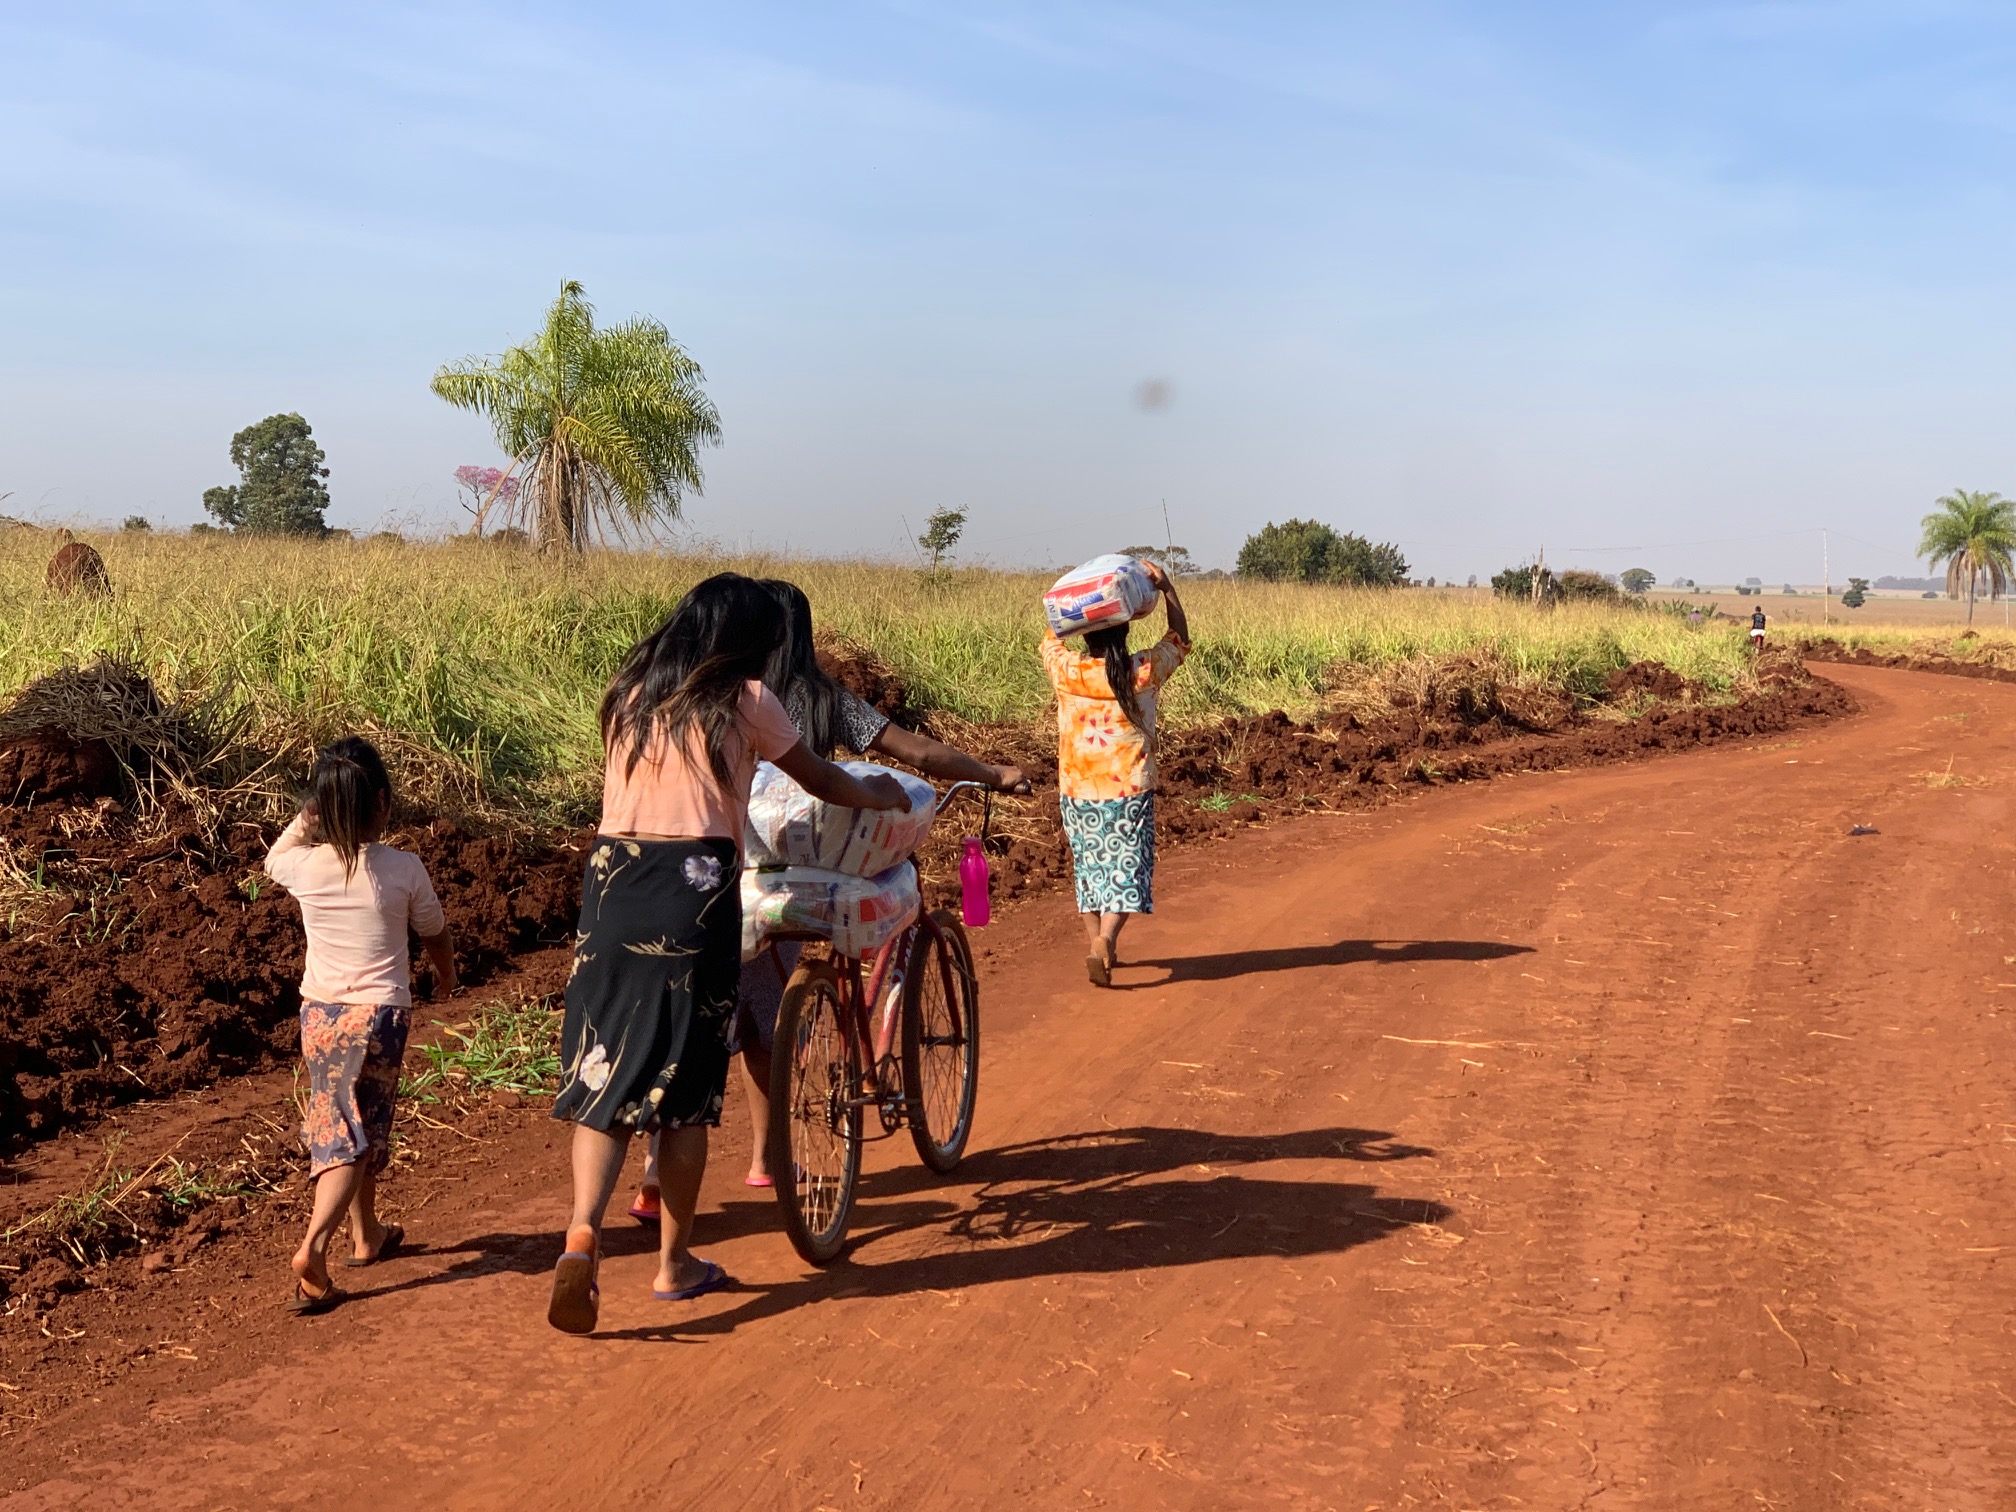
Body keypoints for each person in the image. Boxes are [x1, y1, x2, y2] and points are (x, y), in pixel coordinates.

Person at [548, 572, 909, 1335]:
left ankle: (583, 1230)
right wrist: (879, 796)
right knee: (683, 1092)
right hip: (695, 888)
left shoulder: (630, 689)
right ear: (743, 636)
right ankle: (675, 1266)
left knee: (604, 1063)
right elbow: (819, 778)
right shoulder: (745, 699)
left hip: (611, 884)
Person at [626, 577, 1028, 1213]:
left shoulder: (704, 697)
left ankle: (670, 1169)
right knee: (768, 1024)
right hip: (826, 871)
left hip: (734, 877)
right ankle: (775, 1148)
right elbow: (914, 751)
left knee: (706, 1029)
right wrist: (990, 773)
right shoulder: (822, 700)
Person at [264, 737, 458, 1317]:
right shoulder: (401, 869)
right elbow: (435, 932)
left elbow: (275, 855)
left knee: (348, 1119)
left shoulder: (302, 866)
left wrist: (312, 815)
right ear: (382, 802)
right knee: (355, 1133)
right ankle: (313, 1249)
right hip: (378, 1018)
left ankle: (366, 1233)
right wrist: (446, 976)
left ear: (320, 807)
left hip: (319, 1015)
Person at [1040, 559, 1189, 987]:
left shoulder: (1068, 672)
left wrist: (1073, 594)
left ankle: (1097, 947)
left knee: (1088, 869)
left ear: (1084, 634)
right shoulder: (1142, 670)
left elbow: (1051, 637)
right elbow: (1179, 639)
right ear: (1125, 627)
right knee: (1126, 869)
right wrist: (1167, 590)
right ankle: (1107, 939)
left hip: (1077, 788)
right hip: (1129, 788)